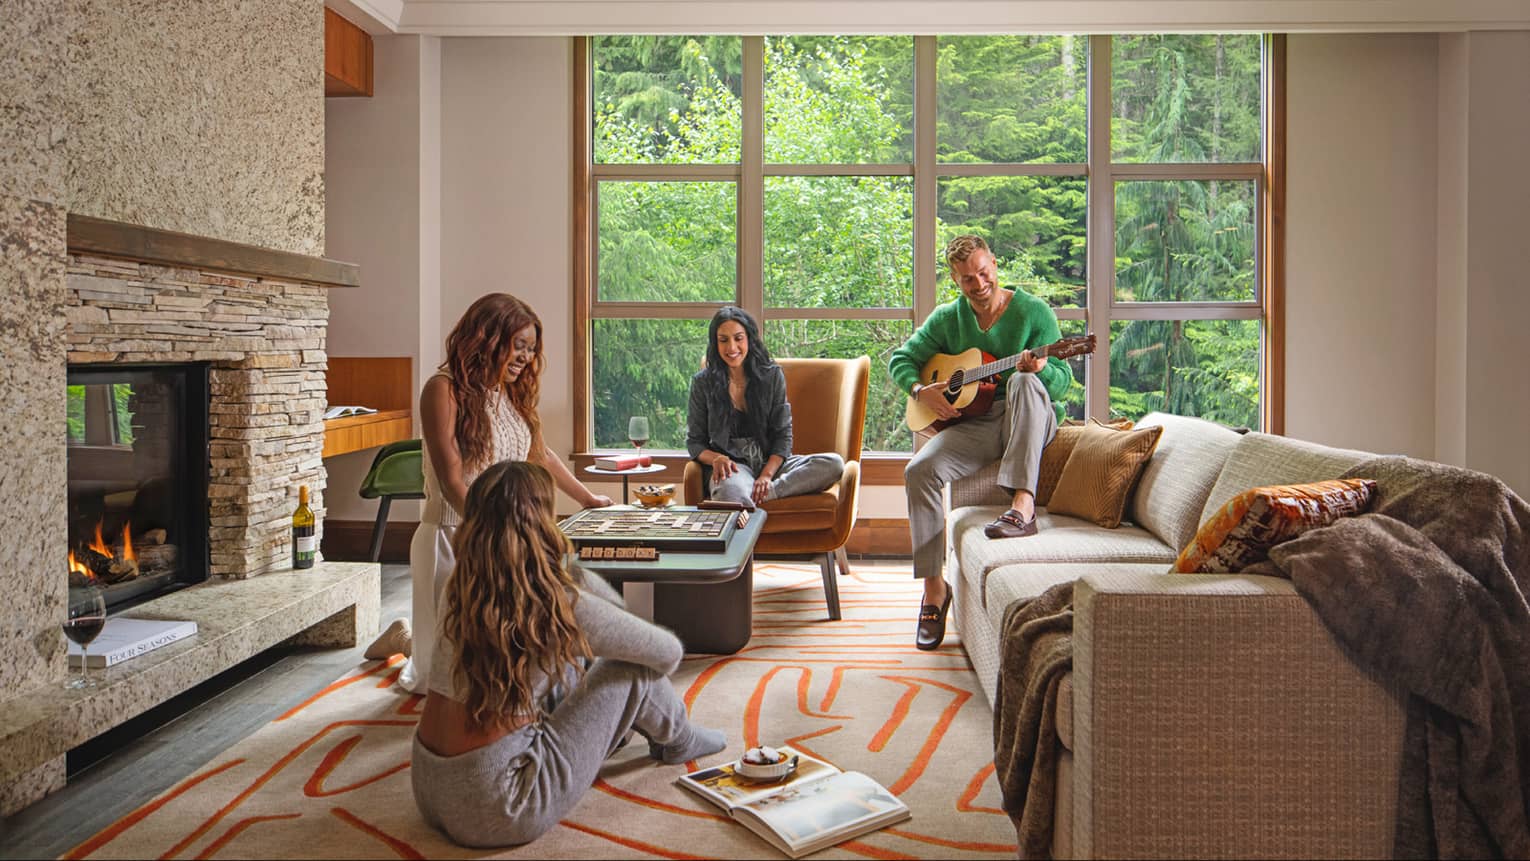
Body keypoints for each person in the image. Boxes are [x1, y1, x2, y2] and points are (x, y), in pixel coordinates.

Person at [412, 460, 727, 847]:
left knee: (575, 658)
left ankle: (649, 731)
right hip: (501, 804)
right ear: (542, 523)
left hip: (427, 785)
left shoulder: (459, 588)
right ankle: (680, 738)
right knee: (629, 667)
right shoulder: (558, 603)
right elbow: (666, 654)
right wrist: (571, 573)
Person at [370, 293, 613, 694]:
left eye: (532, 349)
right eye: (518, 346)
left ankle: (405, 634)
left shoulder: (510, 394)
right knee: (443, 681)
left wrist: (588, 499)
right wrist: (494, 534)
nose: (526, 357)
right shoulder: (442, 391)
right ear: (487, 338)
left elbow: (541, 454)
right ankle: (404, 638)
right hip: (453, 537)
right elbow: (452, 483)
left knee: (496, 653)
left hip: (503, 536)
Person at [888, 235, 1073, 650]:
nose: (979, 283)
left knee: (1024, 380)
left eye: (984, 271)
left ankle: (1022, 508)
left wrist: (1042, 368)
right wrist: (922, 391)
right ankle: (935, 590)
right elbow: (900, 360)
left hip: (1028, 416)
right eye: (968, 278)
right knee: (919, 471)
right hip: (979, 423)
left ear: (994, 262)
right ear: (955, 280)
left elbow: (1062, 385)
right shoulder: (948, 318)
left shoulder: (1032, 311)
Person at [686, 306, 845, 508]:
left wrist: (766, 477)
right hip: (734, 469)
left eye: (738, 338)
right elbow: (695, 443)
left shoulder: (771, 376)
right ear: (715, 343)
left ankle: (765, 494)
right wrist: (717, 458)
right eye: (723, 340)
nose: (731, 347)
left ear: (749, 339)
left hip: (773, 465)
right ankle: (744, 496)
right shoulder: (703, 383)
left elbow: (783, 435)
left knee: (833, 464)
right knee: (729, 490)